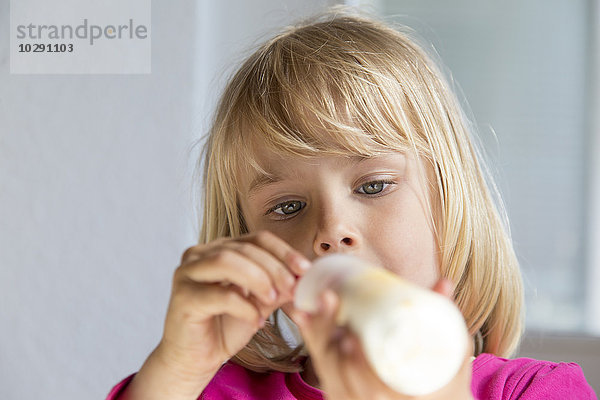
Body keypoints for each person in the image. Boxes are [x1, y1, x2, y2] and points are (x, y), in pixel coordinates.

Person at [107, 10, 597, 400]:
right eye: (287, 207)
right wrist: (175, 368)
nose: (332, 229)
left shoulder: (534, 392)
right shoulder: (209, 392)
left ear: (449, 204)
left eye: (373, 186)